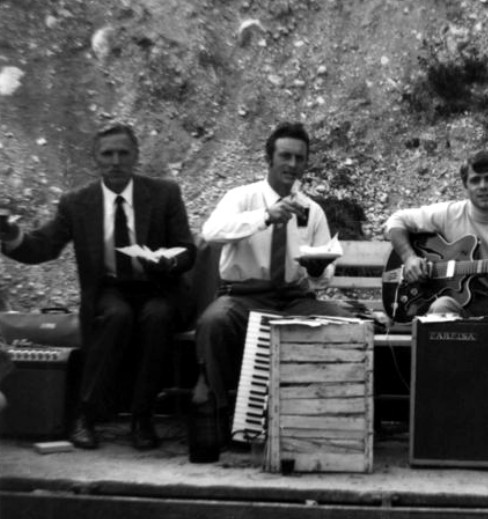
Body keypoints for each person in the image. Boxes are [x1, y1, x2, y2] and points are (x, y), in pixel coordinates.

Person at [0, 123, 196, 450]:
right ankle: (85, 415)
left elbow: (186, 248)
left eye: (123, 153)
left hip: (159, 287)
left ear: (136, 156)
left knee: (156, 316)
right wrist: (11, 238)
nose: (115, 161)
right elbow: (43, 247)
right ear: (95, 158)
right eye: (107, 154)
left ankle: (142, 418)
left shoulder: (164, 193)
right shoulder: (77, 203)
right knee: (116, 316)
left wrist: (170, 260)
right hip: (110, 290)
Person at [192, 122, 350, 421]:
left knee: (346, 322)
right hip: (244, 298)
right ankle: (219, 412)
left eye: (299, 158)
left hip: (293, 299)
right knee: (214, 322)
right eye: (285, 156)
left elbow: (324, 272)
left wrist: (317, 271)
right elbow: (211, 232)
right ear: (270, 158)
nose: (292, 164)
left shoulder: (311, 210)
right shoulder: (242, 198)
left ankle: (330, 413)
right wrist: (264, 217)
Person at [384, 149, 488, 319]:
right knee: (441, 307)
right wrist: (409, 257)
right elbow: (396, 221)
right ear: (466, 186)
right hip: (457, 308)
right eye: (475, 180)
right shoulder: (449, 214)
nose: (483, 186)